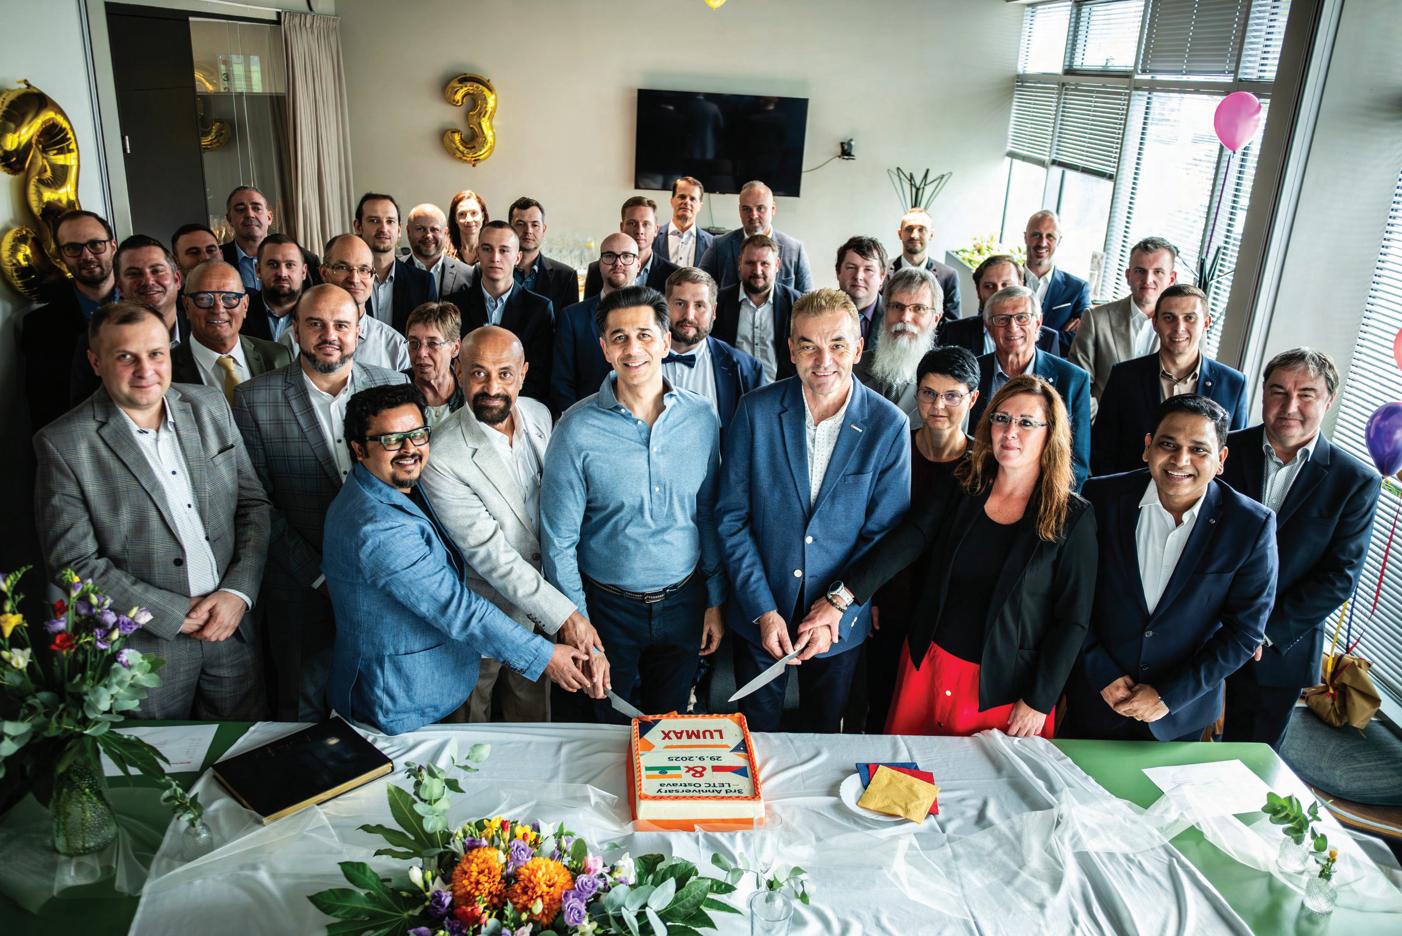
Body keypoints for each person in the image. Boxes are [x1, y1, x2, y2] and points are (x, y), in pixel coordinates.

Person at [804, 373, 1095, 737]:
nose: (1010, 432)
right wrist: (842, 598)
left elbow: (1073, 620)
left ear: (1050, 433)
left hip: (1004, 689)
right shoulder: (964, 481)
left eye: (1026, 423)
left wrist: (1039, 699)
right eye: (1002, 418)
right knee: (905, 769)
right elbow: (909, 540)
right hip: (930, 665)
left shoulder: (1072, 516)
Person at [35, 301, 271, 718]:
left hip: (231, 631)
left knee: (244, 750)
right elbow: (73, 563)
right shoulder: (64, 444)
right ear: (96, 362)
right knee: (159, 758)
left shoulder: (210, 406)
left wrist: (238, 593)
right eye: (125, 357)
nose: (145, 370)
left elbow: (253, 506)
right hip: (143, 648)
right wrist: (173, 615)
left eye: (156, 354)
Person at [323, 383, 593, 735]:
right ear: (359, 449)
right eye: (391, 440)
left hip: (419, 682)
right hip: (398, 700)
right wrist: (544, 656)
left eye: (417, 435)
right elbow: (456, 608)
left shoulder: (393, 487)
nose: (409, 449)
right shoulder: (377, 528)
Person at [716, 288, 910, 733]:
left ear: (858, 349)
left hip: (839, 624)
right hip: (761, 611)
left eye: (837, 345)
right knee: (754, 737)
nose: (823, 360)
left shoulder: (888, 425)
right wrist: (762, 609)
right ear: (791, 350)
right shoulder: (755, 411)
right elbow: (732, 519)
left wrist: (837, 608)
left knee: (823, 735)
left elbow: (883, 534)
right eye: (809, 346)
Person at [541, 286, 726, 723]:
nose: (633, 348)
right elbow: (558, 540)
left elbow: (707, 514)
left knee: (667, 729)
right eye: (619, 337)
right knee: (602, 728)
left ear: (665, 341)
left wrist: (715, 600)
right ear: (604, 349)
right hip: (606, 609)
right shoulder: (575, 428)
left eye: (644, 335)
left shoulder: (701, 418)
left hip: (683, 603)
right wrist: (576, 620)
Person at [233, 284, 408, 719]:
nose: (330, 335)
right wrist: (320, 577)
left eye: (341, 325)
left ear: (358, 331)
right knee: (303, 708)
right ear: (295, 329)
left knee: (382, 702)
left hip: (383, 584)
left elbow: (411, 482)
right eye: (316, 324)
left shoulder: (393, 385)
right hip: (301, 588)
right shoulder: (254, 399)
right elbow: (258, 503)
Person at [419, 326, 609, 723]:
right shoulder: (441, 454)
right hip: (482, 623)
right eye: (478, 373)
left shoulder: (539, 415)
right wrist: (567, 616)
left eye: (504, 373)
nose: (492, 387)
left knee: (532, 727)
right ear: (458, 371)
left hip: (540, 622)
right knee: (469, 731)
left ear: (522, 374)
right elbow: (492, 557)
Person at [1063, 395, 1278, 742]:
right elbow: (1071, 593)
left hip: (1180, 714)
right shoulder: (1101, 497)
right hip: (1095, 698)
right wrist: (1100, 671)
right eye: (1168, 444)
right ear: (1147, 447)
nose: (1181, 460)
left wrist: (1168, 696)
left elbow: (1245, 631)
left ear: (1221, 459)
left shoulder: (1251, 525)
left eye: (1199, 449)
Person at [1222, 349, 1380, 749]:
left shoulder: (1354, 481)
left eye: (1306, 394)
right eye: (1278, 391)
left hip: (1277, 648)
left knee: (1247, 763)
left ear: (1328, 401)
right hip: (1195, 631)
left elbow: (1339, 577)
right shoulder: (1222, 451)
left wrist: (1260, 632)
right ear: (1263, 394)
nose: (1290, 406)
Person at [846, 346, 981, 732]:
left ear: (972, 399)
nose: (938, 406)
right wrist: (870, 597)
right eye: (928, 393)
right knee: (877, 703)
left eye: (951, 396)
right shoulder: (895, 448)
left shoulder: (981, 465)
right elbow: (869, 527)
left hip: (946, 611)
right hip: (889, 598)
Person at [1092, 284, 1248, 475]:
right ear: (1155, 323)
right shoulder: (1124, 376)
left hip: (1200, 492)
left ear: (1206, 323)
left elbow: (1235, 456)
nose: (1179, 328)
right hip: (1130, 489)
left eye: (1189, 318)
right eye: (1169, 318)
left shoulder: (1233, 384)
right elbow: (1102, 448)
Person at [969, 285, 1091, 489]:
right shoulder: (972, 373)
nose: (1012, 327)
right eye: (1002, 319)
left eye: (1022, 318)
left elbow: (1077, 463)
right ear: (989, 327)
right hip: (978, 488)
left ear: (1038, 323)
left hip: (1043, 493)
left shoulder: (1072, 379)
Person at [23, 210, 118, 430]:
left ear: (113, 246)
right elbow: (44, 409)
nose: (86, 255)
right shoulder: (39, 326)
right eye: (73, 248)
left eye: (96, 244)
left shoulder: (149, 303)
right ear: (60, 256)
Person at [70, 235, 188, 409]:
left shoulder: (201, 329)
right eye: (134, 274)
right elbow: (86, 412)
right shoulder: (95, 341)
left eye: (157, 270)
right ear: (120, 288)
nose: (148, 281)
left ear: (177, 280)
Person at [1069, 236, 1180, 417]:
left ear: (1171, 278)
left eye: (1158, 272)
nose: (1148, 279)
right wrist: (1102, 425)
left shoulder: (1186, 329)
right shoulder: (1096, 320)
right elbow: (1078, 385)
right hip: (1104, 427)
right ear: (1128, 275)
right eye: (1140, 271)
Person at [445, 220, 554, 403]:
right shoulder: (454, 305)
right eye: (487, 249)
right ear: (478, 252)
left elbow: (539, 373)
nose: (495, 258)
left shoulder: (539, 309)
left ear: (518, 257)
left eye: (504, 250)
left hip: (519, 405)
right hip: (463, 405)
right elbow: (448, 364)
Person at [279, 234, 409, 372]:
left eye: (364, 270)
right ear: (324, 272)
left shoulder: (395, 347)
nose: (354, 279)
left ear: (373, 276)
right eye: (343, 267)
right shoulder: (293, 340)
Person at [662, 267, 764, 429]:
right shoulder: (636, 358)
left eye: (699, 305)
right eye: (680, 303)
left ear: (714, 311)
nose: (689, 315)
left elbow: (757, 432)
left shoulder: (746, 370)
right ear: (665, 306)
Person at [172, 260, 290, 400]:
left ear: (245, 305)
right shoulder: (166, 369)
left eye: (229, 298)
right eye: (204, 299)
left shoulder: (278, 357)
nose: (218, 309)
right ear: (186, 306)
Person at [550, 233, 636, 414]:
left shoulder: (655, 315)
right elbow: (562, 382)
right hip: (586, 417)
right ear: (600, 264)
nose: (618, 263)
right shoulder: (572, 317)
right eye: (610, 256)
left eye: (627, 256)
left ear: (638, 264)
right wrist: (578, 420)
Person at [853, 265, 944, 423]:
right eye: (897, 306)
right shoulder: (852, 370)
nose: (905, 318)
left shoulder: (948, 383)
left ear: (935, 319)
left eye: (918, 308)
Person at [712, 233, 802, 383]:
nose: (757, 270)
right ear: (739, 263)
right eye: (750, 263)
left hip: (781, 390)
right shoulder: (718, 302)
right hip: (733, 390)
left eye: (764, 263)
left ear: (777, 265)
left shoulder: (797, 304)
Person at [699, 180, 814, 293]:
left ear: (773, 209)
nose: (753, 215)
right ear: (740, 210)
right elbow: (699, 289)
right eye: (746, 209)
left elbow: (808, 299)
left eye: (760, 208)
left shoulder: (794, 250)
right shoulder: (719, 246)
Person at [938, 254, 1059, 357]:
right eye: (989, 286)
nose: (998, 292)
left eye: (1006, 285)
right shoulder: (954, 332)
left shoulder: (1048, 339)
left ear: (1021, 285)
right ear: (978, 290)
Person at [354, 192, 436, 332]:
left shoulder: (423, 283)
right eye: (374, 221)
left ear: (398, 230)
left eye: (390, 221)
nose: (383, 228)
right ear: (358, 226)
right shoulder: (347, 280)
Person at [221, 185, 320, 290]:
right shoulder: (218, 259)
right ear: (229, 219)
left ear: (269, 217)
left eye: (256, 208)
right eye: (240, 209)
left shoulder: (307, 260)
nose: (250, 214)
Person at [1022, 210, 1091, 351]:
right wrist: (1055, 336)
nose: (1042, 242)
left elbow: (1081, 339)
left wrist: (1021, 337)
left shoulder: (1078, 289)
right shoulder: (1005, 282)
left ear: (1059, 240)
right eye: (1036, 235)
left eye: (1050, 236)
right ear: (1025, 237)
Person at [582, 196, 679, 296]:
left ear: (656, 230)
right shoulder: (597, 270)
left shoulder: (673, 274)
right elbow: (589, 305)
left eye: (646, 224)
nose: (639, 231)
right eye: (632, 223)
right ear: (622, 227)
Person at [509, 196, 580, 315]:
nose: (528, 231)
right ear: (509, 228)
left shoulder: (566, 276)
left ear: (544, 229)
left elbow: (569, 323)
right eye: (520, 224)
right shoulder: (493, 269)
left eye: (535, 225)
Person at [890, 208, 961, 320]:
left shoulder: (948, 276)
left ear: (931, 235)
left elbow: (952, 325)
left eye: (921, 229)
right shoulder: (882, 271)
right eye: (909, 229)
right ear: (900, 234)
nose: (914, 235)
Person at [403, 301, 464, 428]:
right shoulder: (395, 390)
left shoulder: (469, 392)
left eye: (433, 344)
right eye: (413, 343)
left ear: (455, 348)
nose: (421, 353)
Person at [242, 233, 306, 342]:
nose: (282, 273)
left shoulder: (318, 313)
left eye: (290, 265)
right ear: (258, 270)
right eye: (273, 264)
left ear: (303, 272)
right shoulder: (241, 314)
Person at [404, 202, 476, 297]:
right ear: (408, 232)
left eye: (434, 229)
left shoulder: (468, 275)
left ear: (445, 233)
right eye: (420, 229)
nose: (428, 235)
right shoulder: (393, 269)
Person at [835, 236, 888, 343]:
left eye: (868, 269)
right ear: (838, 272)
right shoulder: (818, 313)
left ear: (882, 277)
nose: (858, 276)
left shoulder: (895, 316)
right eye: (851, 267)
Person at [653, 176, 714, 268]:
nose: (687, 202)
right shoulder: (652, 237)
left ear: (700, 206)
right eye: (682, 197)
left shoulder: (712, 244)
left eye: (692, 199)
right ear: (672, 201)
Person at [448, 189, 489, 263]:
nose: (469, 220)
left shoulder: (492, 251)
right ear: (455, 219)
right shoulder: (445, 252)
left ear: (483, 216)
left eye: (474, 213)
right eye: (462, 214)